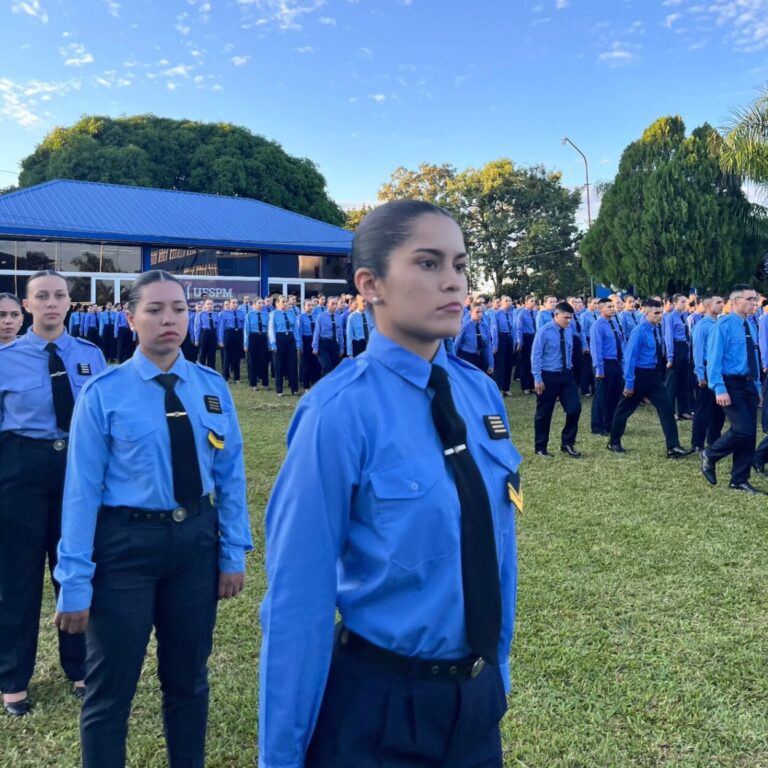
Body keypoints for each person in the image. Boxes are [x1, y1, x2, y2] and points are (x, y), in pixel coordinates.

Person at [259, 199, 520, 768]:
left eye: (460, 265)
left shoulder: (479, 394)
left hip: (474, 705)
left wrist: (496, 670)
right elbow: (297, 600)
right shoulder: (337, 412)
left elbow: (498, 546)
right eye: (428, 263)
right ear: (370, 284)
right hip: (380, 710)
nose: (453, 282)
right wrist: (280, 756)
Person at [53, 269, 253, 767]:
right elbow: (80, 493)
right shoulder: (104, 392)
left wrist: (233, 552)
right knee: (110, 692)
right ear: (131, 318)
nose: (169, 320)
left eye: (179, 309)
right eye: (155, 309)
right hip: (124, 550)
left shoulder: (211, 387)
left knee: (189, 683)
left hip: (195, 547)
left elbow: (230, 475)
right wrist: (74, 581)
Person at [0, 270, 106, 717]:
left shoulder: (90, 355)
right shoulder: (5, 358)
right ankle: (13, 679)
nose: (50, 303)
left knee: (74, 568)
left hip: (76, 471)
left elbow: (103, 419)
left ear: (68, 303)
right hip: (20, 470)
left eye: (58, 295)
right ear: (27, 306)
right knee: (17, 578)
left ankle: (79, 667)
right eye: (41, 296)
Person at [607, 299, 692, 458]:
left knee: (666, 409)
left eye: (661, 312)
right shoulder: (639, 331)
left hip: (653, 375)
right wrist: (629, 382)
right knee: (624, 410)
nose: (660, 316)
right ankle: (614, 442)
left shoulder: (656, 329)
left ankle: (673, 447)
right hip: (639, 375)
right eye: (656, 313)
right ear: (646, 313)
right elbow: (630, 357)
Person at [701, 284, 764, 493]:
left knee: (750, 433)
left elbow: (754, 358)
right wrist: (719, 388)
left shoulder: (750, 326)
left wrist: (757, 387)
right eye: (750, 299)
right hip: (730, 383)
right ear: (736, 301)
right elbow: (713, 359)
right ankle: (710, 455)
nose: (754, 303)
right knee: (742, 429)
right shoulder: (723, 326)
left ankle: (739, 479)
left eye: (755, 299)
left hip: (748, 384)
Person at [531, 301, 582, 458]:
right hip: (548, 376)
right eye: (566, 317)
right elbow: (536, 356)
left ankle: (567, 443)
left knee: (574, 408)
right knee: (544, 413)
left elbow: (569, 350)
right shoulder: (544, 331)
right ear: (556, 315)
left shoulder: (569, 330)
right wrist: (538, 378)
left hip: (565, 375)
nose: (569, 321)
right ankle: (541, 447)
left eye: (570, 318)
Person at [691, 295, 726, 453]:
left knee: (719, 408)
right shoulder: (701, 326)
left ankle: (714, 439)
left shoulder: (720, 324)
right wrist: (700, 375)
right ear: (708, 306)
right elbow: (697, 352)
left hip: (719, 369)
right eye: (718, 302)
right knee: (703, 409)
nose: (722, 305)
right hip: (706, 368)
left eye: (722, 302)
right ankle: (697, 442)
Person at [590, 297, 625, 436]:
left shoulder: (614, 323)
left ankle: (609, 424)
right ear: (601, 309)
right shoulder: (597, 326)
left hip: (616, 362)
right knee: (601, 397)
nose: (612, 309)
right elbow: (596, 349)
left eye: (612, 306)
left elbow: (621, 343)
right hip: (604, 363)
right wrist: (599, 368)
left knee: (615, 395)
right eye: (609, 307)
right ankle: (597, 426)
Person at [664, 293, 694, 419]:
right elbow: (668, 337)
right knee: (672, 383)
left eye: (685, 301)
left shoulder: (685, 316)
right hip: (676, 347)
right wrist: (670, 357)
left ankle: (683, 410)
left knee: (684, 381)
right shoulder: (670, 317)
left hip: (685, 348)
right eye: (682, 301)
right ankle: (669, 411)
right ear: (675, 303)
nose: (684, 304)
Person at [268, 295, 300, 396]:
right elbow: (271, 329)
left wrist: (298, 343)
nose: (285, 303)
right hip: (279, 338)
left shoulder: (291, 313)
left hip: (290, 338)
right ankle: (279, 390)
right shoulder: (274, 314)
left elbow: (295, 329)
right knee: (279, 365)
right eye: (282, 302)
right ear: (277, 303)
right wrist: (273, 344)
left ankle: (295, 389)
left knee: (293, 364)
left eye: (286, 301)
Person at [455, 301, 494, 374]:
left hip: (480, 358)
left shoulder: (485, 327)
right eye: (477, 312)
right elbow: (456, 345)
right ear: (471, 312)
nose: (480, 314)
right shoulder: (464, 327)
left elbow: (488, 346)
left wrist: (491, 364)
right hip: (467, 358)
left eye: (481, 312)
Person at [312, 296, 344, 377]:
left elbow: (340, 333)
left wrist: (341, 347)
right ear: (327, 304)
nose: (335, 306)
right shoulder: (321, 316)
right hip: (323, 343)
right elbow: (317, 332)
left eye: (336, 304)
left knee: (335, 368)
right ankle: (325, 384)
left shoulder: (338, 317)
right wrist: (315, 347)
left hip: (334, 343)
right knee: (326, 367)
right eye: (332, 304)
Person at [491, 295, 515, 397]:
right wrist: (495, 344)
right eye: (506, 300)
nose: (508, 302)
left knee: (508, 364)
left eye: (510, 300)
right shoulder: (496, 314)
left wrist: (514, 342)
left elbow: (513, 328)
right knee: (500, 364)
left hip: (509, 338)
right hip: (500, 337)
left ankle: (506, 388)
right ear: (501, 302)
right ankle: (499, 388)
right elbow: (494, 330)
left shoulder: (511, 313)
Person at [244, 298, 270, 390]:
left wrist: (269, 343)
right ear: (254, 304)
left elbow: (268, 330)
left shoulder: (266, 315)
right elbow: (246, 330)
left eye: (262, 303)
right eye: (259, 303)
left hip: (263, 338)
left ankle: (265, 383)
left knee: (264, 361)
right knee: (253, 361)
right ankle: (253, 384)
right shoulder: (249, 315)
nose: (261, 305)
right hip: (253, 337)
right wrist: (246, 344)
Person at [217, 298, 243, 383]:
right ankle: (225, 377)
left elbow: (243, 325)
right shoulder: (224, 313)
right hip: (229, 334)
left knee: (237, 357)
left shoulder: (241, 313)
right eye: (233, 302)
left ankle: (237, 378)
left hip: (238, 334)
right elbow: (221, 328)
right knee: (227, 357)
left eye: (236, 302)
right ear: (230, 303)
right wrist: (221, 341)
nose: (235, 304)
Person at [515, 295, 537, 393]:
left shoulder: (536, 313)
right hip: (526, 338)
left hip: (534, 337)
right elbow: (519, 328)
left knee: (533, 362)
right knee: (525, 363)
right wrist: (520, 342)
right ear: (526, 302)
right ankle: (525, 387)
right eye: (531, 301)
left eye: (534, 301)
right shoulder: (522, 313)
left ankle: (532, 385)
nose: (533, 303)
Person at [194, 298, 218, 370]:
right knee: (202, 355)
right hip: (204, 334)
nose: (209, 305)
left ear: (213, 305)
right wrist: (196, 340)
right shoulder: (200, 314)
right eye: (208, 304)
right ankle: (201, 372)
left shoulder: (216, 314)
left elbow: (218, 327)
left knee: (212, 355)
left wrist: (218, 339)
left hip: (213, 334)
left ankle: (211, 372)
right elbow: (197, 327)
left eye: (211, 304)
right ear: (205, 305)